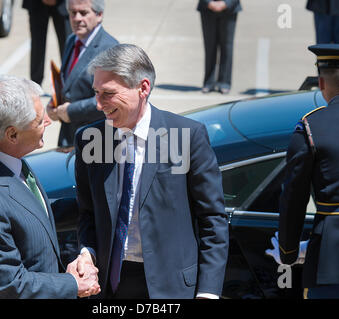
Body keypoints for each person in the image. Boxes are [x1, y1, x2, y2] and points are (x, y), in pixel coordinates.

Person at [71, 44, 229, 299]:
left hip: (172, 288)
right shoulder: (90, 140)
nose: (99, 105)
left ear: (143, 88)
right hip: (111, 286)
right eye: (96, 93)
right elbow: (88, 213)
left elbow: (212, 220)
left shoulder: (187, 137)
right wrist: (86, 252)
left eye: (108, 94)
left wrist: (208, 293)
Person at [0, 75, 100, 298]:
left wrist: (95, 208)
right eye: (39, 121)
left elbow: (29, 216)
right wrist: (72, 284)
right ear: (12, 134)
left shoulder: (6, 158)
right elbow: (5, 285)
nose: (48, 120)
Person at [267, 44, 339, 299]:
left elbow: (293, 199)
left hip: (334, 262)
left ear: (321, 83)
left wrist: (288, 252)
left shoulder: (311, 127)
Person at [46, 0, 118, 152]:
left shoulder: (110, 50)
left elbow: (110, 99)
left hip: (95, 142)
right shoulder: (72, 40)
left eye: (83, 13)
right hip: (68, 137)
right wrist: (55, 104)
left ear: (99, 15)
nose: (77, 18)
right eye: (73, 12)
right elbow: (69, 84)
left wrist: (70, 111)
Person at [197, 0, 242, 94]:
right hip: (207, 9)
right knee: (209, 47)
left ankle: (224, 82)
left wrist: (226, 3)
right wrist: (209, 3)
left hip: (229, 9)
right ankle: (209, 82)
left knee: (227, 47)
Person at [22, 0, 71, 86]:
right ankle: (35, 86)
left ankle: (69, 85)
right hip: (36, 4)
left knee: (67, 45)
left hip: (63, 3)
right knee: (37, 46)